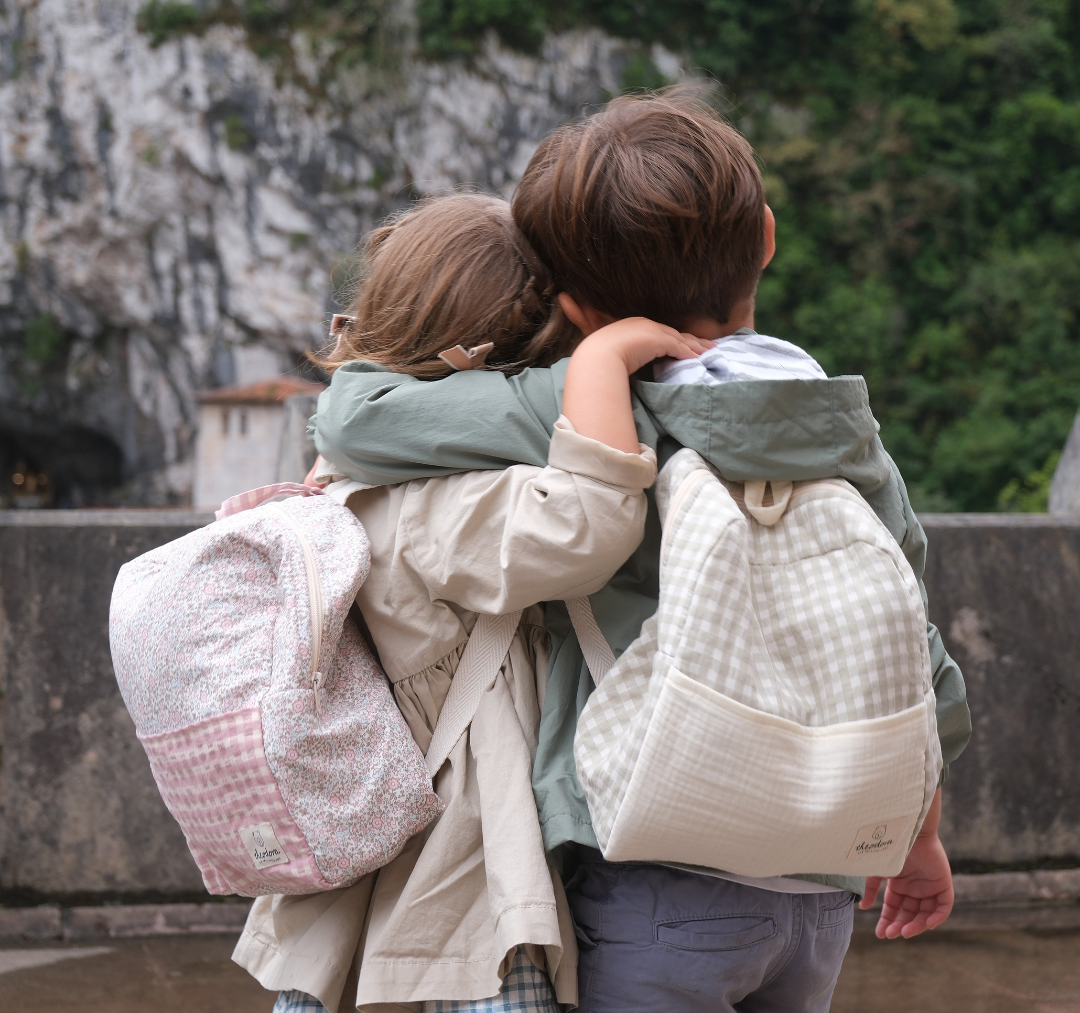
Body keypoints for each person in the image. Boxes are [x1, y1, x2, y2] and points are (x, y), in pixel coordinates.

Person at [311, 90, 973, 1012]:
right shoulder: (836, 423)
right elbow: (910, 641)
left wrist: (592, 362)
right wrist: (919, 836)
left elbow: (356, 420)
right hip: (819, 895)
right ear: (770, 239)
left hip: (657, 873)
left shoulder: (592, 401)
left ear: (574, 308)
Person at [232, 191, 710, 1012]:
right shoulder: (447, 508)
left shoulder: (344, 484)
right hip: (460, 882)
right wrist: (605, 362)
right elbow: (591, 524)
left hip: (356, 872)